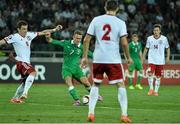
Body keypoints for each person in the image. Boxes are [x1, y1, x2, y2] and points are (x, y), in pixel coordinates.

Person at [81, 0, 132, 123]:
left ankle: (91, 113)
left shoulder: (96, 20)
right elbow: (124, 42)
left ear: (105, 7)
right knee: (120, 85)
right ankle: (124, 115)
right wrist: (128, 57)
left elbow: (86, 40)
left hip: (98, 58)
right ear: (117, 9)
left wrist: (84, 57)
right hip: (113, 59)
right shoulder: (120, 23)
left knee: (96, 84)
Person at [0, 20, 62, 103]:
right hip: (21, 62)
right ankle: (25, 93)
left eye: (26, 29)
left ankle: (15, 98)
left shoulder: (29, 35)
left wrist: (54, 29)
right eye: (23, 29)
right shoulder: (14, 37)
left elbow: (42, 32)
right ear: (18, 29)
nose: (25, 31)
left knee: (25, 82)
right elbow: (2, 42)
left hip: (26, 63)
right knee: (33, 73)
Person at [46, 30, 101, 106]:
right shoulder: (66, 43)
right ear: (73, 37)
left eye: (80, 39)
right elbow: (52, 41)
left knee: (86, 82)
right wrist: (48, 37)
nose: (78, 40)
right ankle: (77, 100)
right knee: (69, 83)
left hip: (76, 69)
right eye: (77, 38)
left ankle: (95, 95)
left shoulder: (82, 47)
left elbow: (91, 54)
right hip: (66, 68)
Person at [143, 24, 170, 96]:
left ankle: (156, 91)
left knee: (158, 76)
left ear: (160, 31)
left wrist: (167, 57)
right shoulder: (149, 38)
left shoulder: (164, 39)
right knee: (150, 73)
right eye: (154, 30)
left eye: (157, 30)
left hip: (160, 61)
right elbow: (146, 48)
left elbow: (167, 48)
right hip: (151, 60)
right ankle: (151, 89)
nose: (156, 32)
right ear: (153, 31)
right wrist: (143, 57)